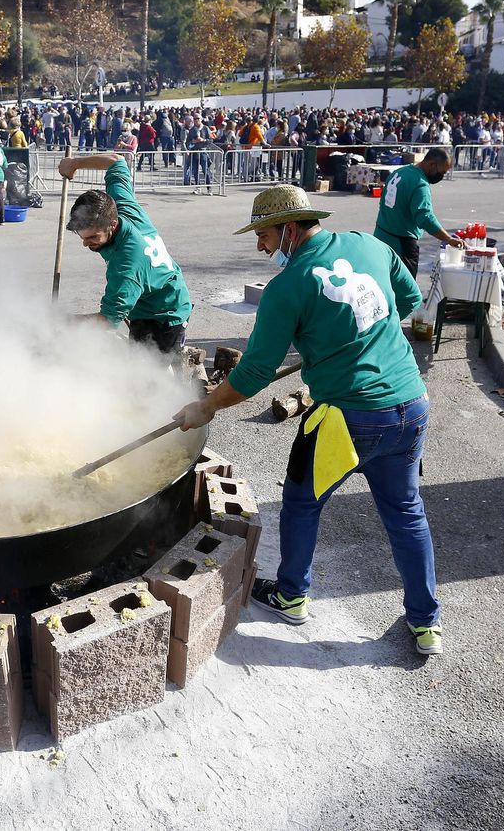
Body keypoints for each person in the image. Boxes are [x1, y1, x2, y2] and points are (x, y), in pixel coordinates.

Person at [172, 185, 444, 657]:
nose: (261, 245)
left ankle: (291, 594)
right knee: (406, 513)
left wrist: (208, 406)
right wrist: (366, 338)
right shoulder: (371, 244)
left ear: (290, 229)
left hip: (348, 420)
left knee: (302, 503)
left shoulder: (288, 286)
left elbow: (254, 372)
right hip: (411, 405)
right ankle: (426, 624)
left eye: (265, 234)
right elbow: (409, 298)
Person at [59, 151, 192, 354]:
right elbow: (116, 160)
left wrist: (64, 321)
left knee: (151, 376)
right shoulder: (122, 206)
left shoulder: (126, 265)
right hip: (147, 293)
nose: (85, 244)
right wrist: (74, 163)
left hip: (164, 313)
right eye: (81, 235)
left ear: (112, 225)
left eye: (93, 237)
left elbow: (108, 321)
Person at [371, 148, 464, 278]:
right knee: (405, 291)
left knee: (381, 282)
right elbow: (425, 217)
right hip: (401, 245)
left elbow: (383, 202)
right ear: (432, 164)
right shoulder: (420, 184)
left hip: (380, 237)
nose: (441, 177)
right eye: (442, 172)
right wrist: (447, 238)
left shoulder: (399, 173)